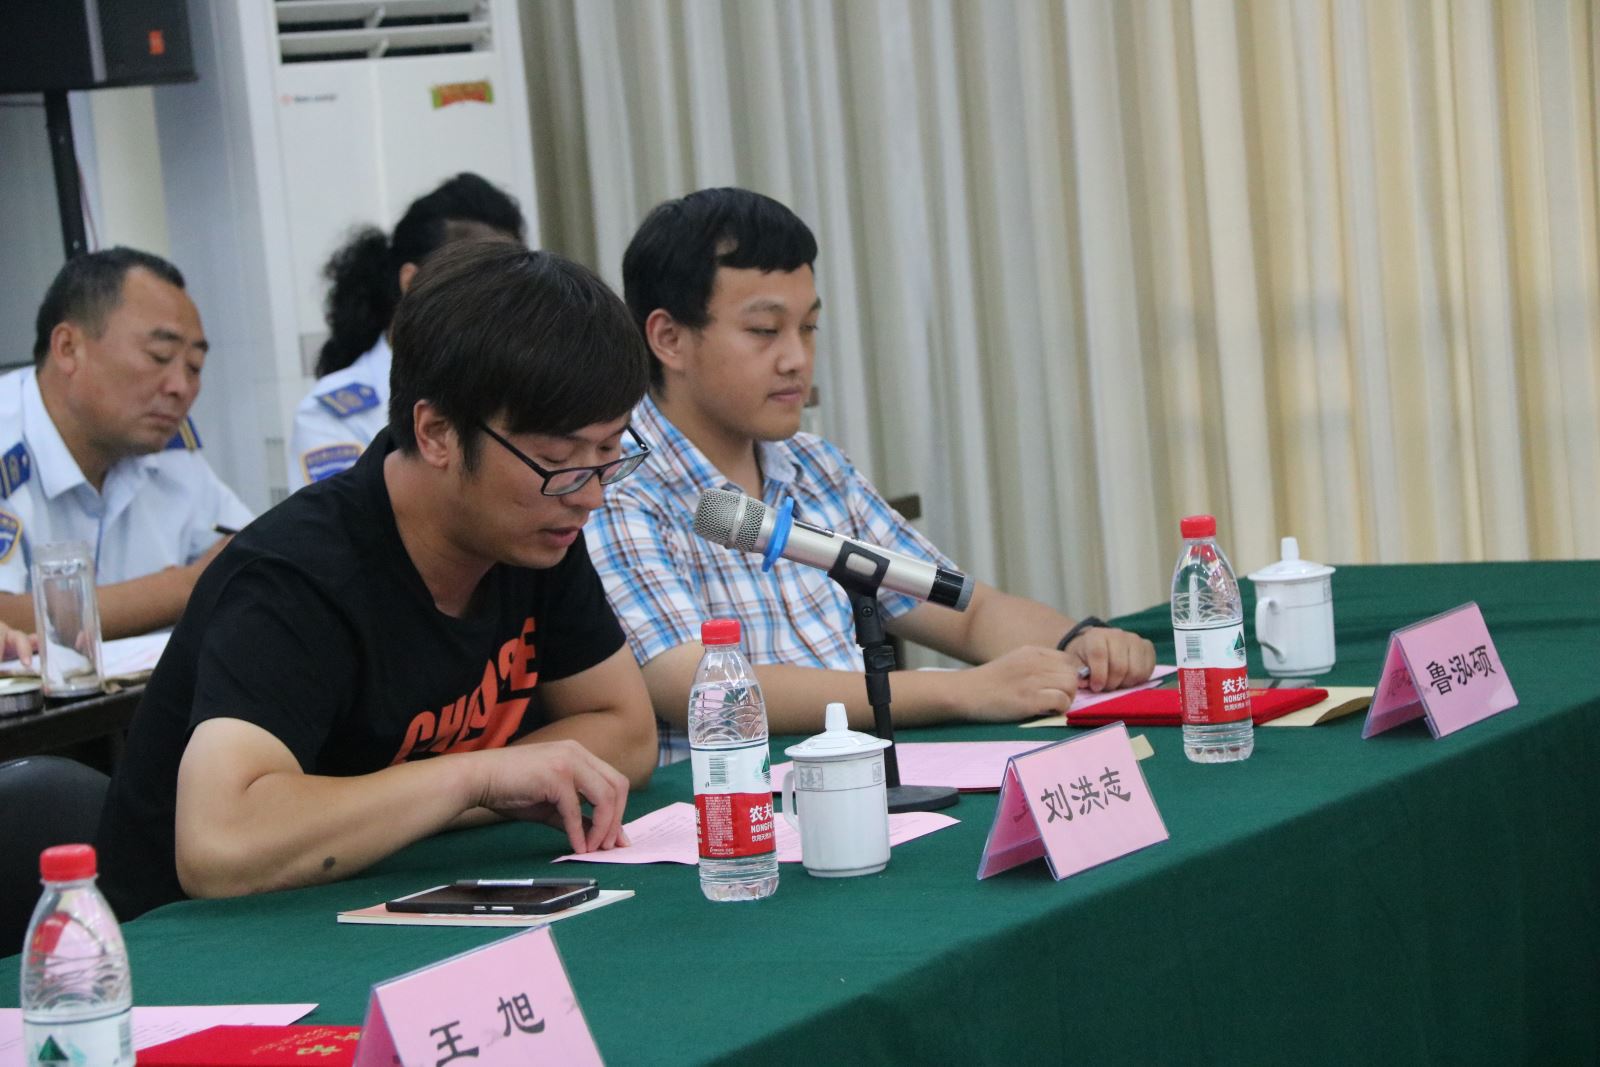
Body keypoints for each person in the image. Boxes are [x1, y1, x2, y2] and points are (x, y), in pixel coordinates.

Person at [96, 241, 658, 919]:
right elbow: (221, 841)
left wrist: (436, 801)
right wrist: (475, 779)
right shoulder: (296, 575)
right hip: (190, 949)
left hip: (379, 900)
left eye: (609, 452)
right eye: (558, 459)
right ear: (437, 432)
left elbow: (627, 732)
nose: (590, 495)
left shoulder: (535, 530)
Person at [587, 188, 1157, 763]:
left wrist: (1079, 643)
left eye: (809, 328)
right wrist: (962, 692)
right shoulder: (615, 482)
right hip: (734, 803)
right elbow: (693, 685)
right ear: (669, 339)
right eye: (764, 330)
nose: (796, 359)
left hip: (863, 777)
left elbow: (965, 611)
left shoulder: (816, 467)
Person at [0, 248, 252, 639]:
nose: (181, 387)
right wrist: (187, 586)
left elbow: (251, 558)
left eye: (194, 367)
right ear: (68, 348)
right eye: (159, 356)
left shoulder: (166, 449)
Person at [287, 172, 527, 489]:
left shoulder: (523, 385)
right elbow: (348, 517)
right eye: (479, 285)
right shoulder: (335, 414)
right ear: (413, 282)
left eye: (513, 288)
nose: (501, 305)